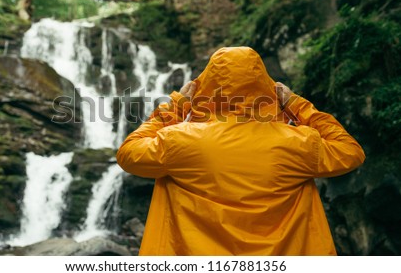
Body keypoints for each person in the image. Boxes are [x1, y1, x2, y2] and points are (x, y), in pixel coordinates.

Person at [116, 46, 365, 255]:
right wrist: (296, 105)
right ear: (265, 87)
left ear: (205, 88)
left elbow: (128, 153)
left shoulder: (178, 140)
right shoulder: (297, 142)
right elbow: (350, 152)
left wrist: (176, 107)